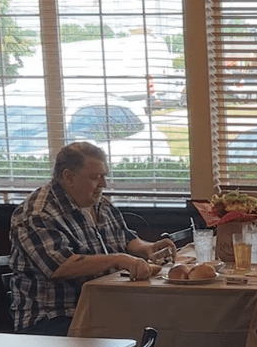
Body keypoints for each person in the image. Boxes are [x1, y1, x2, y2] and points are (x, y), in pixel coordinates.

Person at [9, 141, 177, 335]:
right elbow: (61, 266)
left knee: (168, 321)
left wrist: (148, 248)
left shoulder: (94, 201)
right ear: (69, 177)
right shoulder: (38, 213)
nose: (103, 184)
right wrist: (118, 259)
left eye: (104, 176)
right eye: (95, 177)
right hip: (54, 319)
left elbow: (124, 238)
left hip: (101, 308)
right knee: (152, 331)